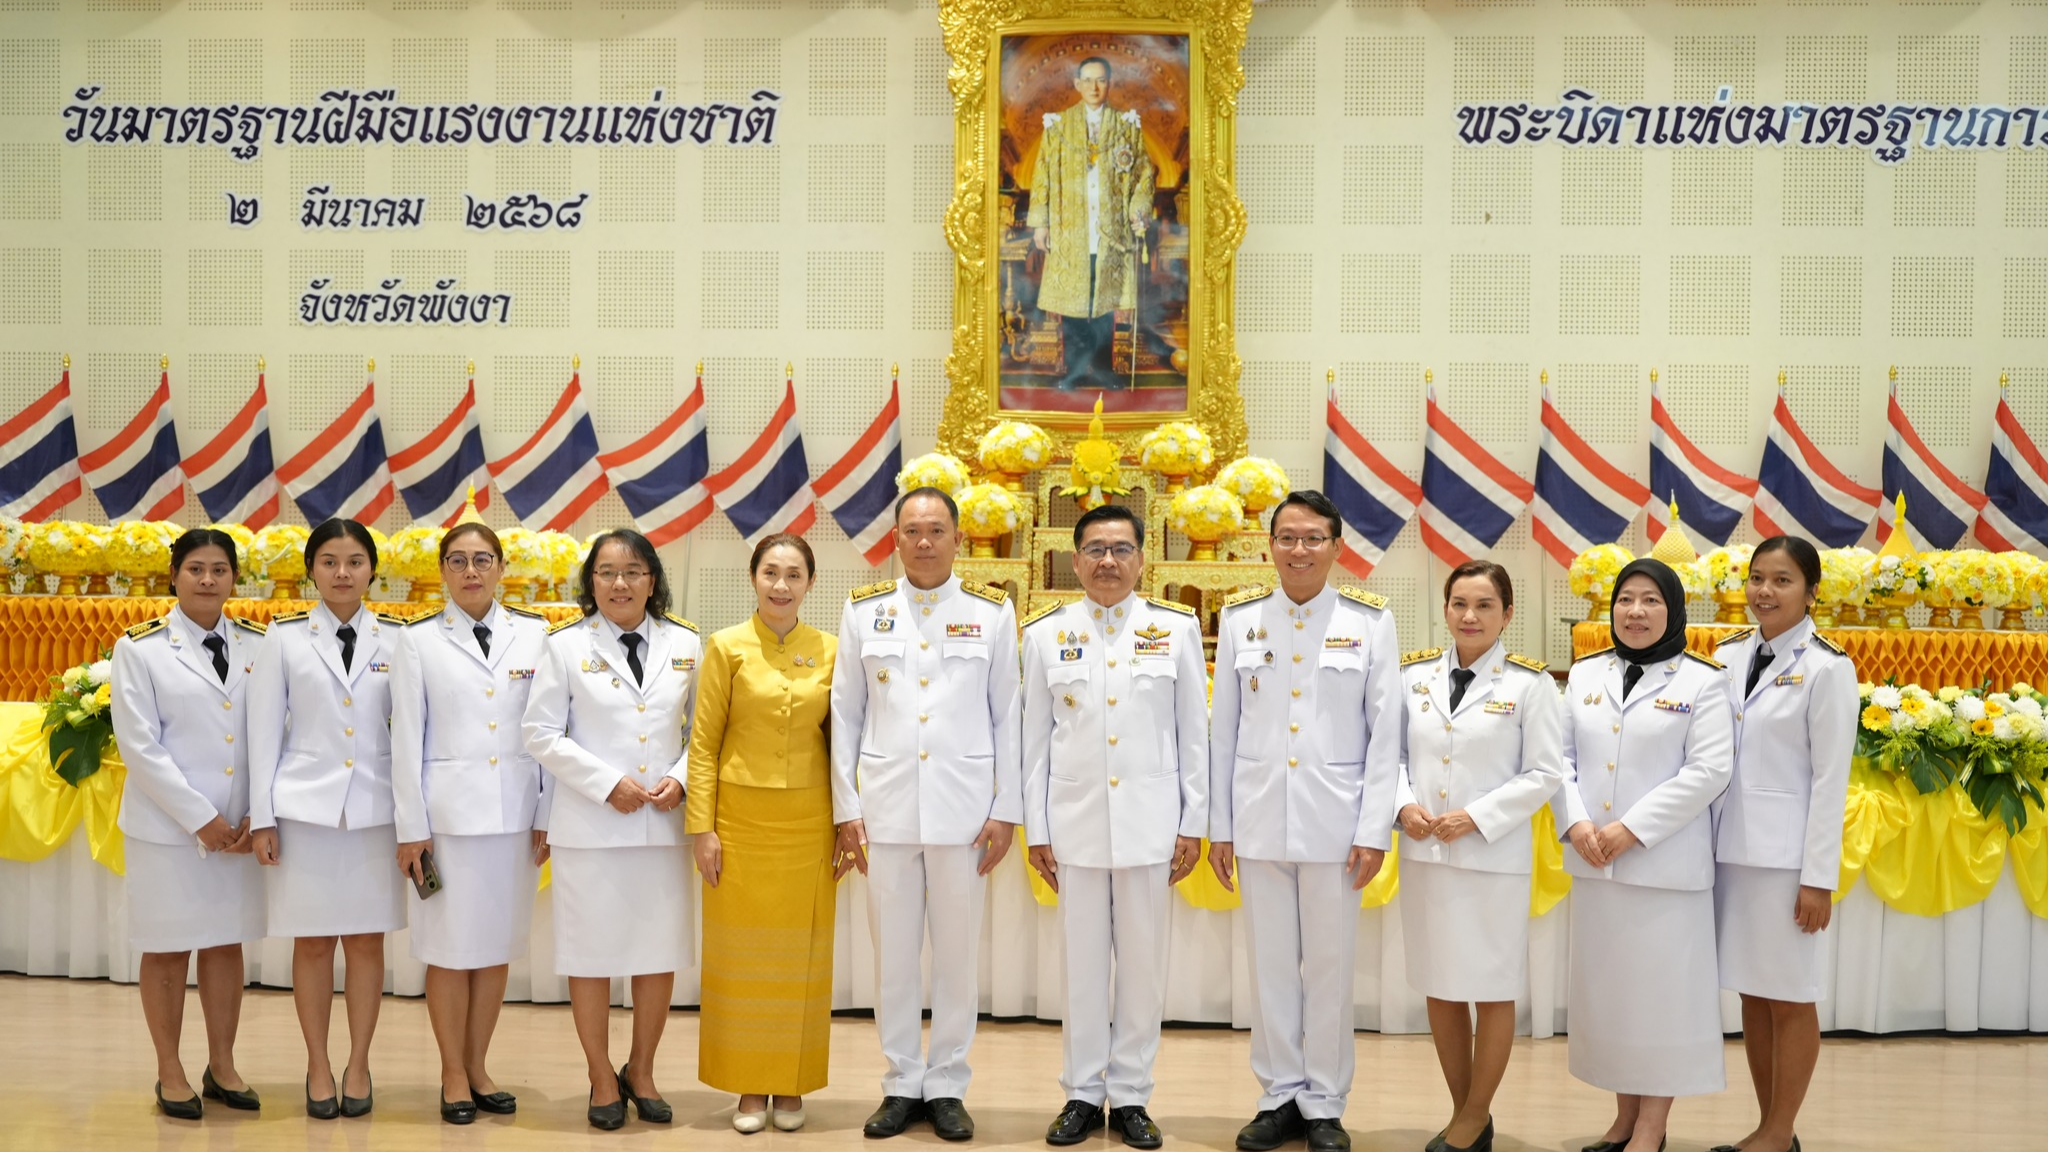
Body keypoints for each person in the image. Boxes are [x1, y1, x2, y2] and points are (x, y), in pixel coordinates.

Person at [1206, 491, 1400, 1152]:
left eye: (1313, 538)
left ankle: (1323, 1100)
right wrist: (1221, 827)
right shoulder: (1240, 620)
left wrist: (1374, 829)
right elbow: (1222, 733)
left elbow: (1385, 737)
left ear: (1336, 548)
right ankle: (1277, 1093)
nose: (1299, 550)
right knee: (1269, 968)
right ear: (1270, 546)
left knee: (1328, 966)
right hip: (1260, 820)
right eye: (1287, 537)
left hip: (1336, 825)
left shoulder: (1370, 621)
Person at [830, 489, 1022, 1142]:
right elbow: (846, 717)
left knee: (957, 957)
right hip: (884, 812)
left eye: (936, 529)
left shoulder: (992, 614)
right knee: (893, 958)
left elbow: (1009, 720)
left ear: (959, 539)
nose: (923, 542)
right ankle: (900, 1081)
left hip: (965, 814)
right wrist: (845, 808)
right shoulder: (865, 613)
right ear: (896, 539)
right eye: (911, 530)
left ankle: (947, 1084)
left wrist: (1006, 809)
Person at [1022, 503, 1207, 1150]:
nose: (1108, 561)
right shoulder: (1046, 632)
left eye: (1121, 549)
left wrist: (1194, 821)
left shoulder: (1176, 628)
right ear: (1075, 561)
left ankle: (1130, 1096)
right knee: (1080, 968)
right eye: (1095, 549)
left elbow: (1194, 734)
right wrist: (1036, 828)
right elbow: (1034, 741)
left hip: (1151, 825)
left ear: (1142, 559)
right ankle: (1080, 1092)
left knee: (1141, 966)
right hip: (1073, 826)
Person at [1552, 557, 1734, 1152]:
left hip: (1665, 869)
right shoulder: (1582, 675)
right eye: (1626, 599)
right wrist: (1576, 823)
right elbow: (1559, 762)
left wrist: (1630, 829)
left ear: (1674, 609)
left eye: (1651, 600)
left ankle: (1652, 1126)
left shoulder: (1703, 681)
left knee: (1663, 1003)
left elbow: (1709, 771)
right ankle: (1624, 1117)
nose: (1636, 612)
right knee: (1614, 1000)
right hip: (1595, 864)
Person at [523, 528, 701, 1130]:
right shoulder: (564, 646)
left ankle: (642, 1070)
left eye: (632, 571)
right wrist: (607, 784)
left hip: (663, 823)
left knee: (657, 953)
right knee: (591, 956)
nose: (619, 583)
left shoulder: (686, 643)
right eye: (605, 572)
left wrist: (679, 778)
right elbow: (540, 733)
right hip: (592, 826)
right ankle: (601, 1075)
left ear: (653, 580)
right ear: (590, 582)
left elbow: (704, 731)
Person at [1394, 561, 1565, 1152]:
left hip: (1492, 858)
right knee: (1440, 984)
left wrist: (1477, 816)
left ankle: (1473, 1115)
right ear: (1445, 609)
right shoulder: (1412, 679)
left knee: (1492, 987)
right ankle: (1466, 1114)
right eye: (1460, 603)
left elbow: (1546, 772)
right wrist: (1402, 806)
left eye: (1485, 605)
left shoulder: (1531, 685)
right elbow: (1386, 758)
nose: (1470, 616)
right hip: (1425, 856)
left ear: (1508, 615)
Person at [389, 516, 553, 1124]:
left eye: (482, 559)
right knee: (449, 951)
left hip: (514, 818)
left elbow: (548, 734)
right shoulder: (418, 641)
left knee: (495, 949)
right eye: (457, 560)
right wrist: (412, 826)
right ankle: (452, 1071)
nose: (471, 571)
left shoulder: (536, 637)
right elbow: (406, 739)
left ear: (503, 569)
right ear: (442, 573)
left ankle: (479, 1063)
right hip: (447, 822)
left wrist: (546, 811)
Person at [247, 518, 409, 1120]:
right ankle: (317, 1063)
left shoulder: (399, 639)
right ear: (311, 570)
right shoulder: (284, 638)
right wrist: (262, 817)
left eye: (355, 562)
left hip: (375, 814)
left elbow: (413, 733)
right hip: (306, 813)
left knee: (367, 943)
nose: (343, 573)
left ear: (372, 570)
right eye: (330, 562)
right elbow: (262, 734)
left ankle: (359, 1062)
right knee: (312, 943)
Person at [110, 528, 267, 1120]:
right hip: (170, 830)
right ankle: (169, 1069)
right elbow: (140, 747)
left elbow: (269, 733)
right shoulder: (140, 648)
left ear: (234, 578)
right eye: (196, 568)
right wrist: (202, 819)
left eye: (219, 569)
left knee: (226, 944)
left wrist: (257, 810)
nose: (207, 580)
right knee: (169, 948)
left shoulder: (259, 643)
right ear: (173, 575)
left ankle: (222, 1064)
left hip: (240, 829)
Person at [1707, 537, 1855, 1152]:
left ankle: (1778, 1130)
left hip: (1785, 862)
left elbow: (1830, 779)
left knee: (1790, 995)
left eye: (1783, 580)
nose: (1765, 591)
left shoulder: (1828, 667)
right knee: (1752, 989)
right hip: (1728, 855)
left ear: (1812, 591)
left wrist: (1817, 877)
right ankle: (1770, 1128)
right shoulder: (1726, 656)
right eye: (1757, 578)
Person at [687, 533, 837, 1134]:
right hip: (739, 824)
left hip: (809, 823)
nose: (781, 585)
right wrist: (703, 827)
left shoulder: (831, 649)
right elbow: (701, 745)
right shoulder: (725, 647)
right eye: (771, 572)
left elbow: (844, 741)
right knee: (740, 957)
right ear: (754, 578)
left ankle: (793, 1082)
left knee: (800, 959)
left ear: (810, 583)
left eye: (794, 574)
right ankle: (750, 1085)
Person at [1027, 55, 1156, 391]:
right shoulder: (1057, 126)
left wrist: (1138, 210)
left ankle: (1102, 368)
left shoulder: (1127, 125)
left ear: (1109, 83)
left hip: (1110, 231)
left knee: (1104, 300)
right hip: (1071, 229)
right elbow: (1041, 175)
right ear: (1077, 84)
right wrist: (1041, 224)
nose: (1094, 87)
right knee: (1073, 299)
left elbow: (1143, 174)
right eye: (1087, 80)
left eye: (1101, 80)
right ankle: (1073, 369)